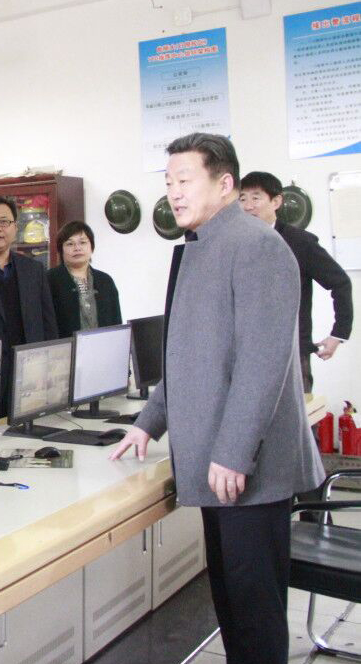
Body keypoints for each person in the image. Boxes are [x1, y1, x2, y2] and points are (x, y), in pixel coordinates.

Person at [112, 133, 325, 664]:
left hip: (247, 470)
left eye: (185, 180)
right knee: (231, 605)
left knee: (254, 613)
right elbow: (190, 356)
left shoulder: (256, 247)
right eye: (169, 182)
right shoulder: (201, 246)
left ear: (224, 183)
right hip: (218, 465)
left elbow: (262, 363)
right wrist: (148, 422)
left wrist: (233, 451)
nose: (174, 193)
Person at [239, 171, 352, 392]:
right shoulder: (236, 243)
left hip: (292, 353)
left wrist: (338, 333)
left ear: (276, 202)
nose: (248, 206)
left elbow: (340, 283)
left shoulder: (299, 241)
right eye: (242, 199)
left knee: (298, 412)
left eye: (255, 197)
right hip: (246, 355)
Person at [0, 196, 57, 414]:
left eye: (4, 222)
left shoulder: (33, 270)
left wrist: (51, 368)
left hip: (30, 373)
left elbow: (48, 323)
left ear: (15, 228)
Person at [46, 221, 122, 338]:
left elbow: (116, 321)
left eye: (83, 242)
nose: (77, 248)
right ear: (61, 250)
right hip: (64, 347)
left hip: (103, 345)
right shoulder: (50, 280)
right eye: (70, 244)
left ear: (91, 247)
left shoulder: (105, 281)